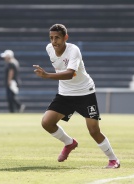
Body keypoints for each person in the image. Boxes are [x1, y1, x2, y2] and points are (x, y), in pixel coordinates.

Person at [33, 24, 120, 168]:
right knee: (47, 122)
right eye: (51, 38)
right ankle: (69, 143)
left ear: (65, 37)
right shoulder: (49, 49)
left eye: (57, 38)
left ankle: (113, 159)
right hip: (65, 94)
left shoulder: (74, 50)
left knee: (93, 131)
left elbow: (69, 74)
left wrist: (47, 75)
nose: (54, 41)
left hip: (85, 93)